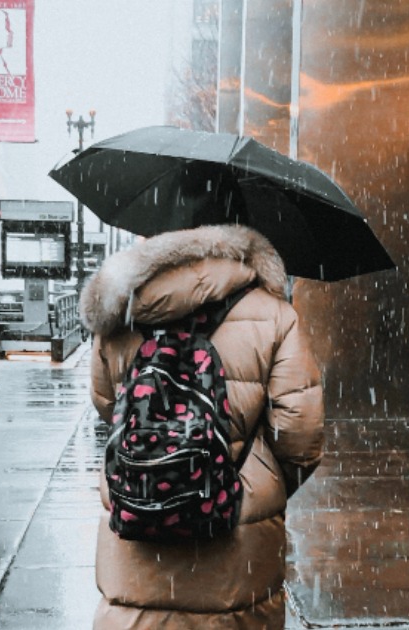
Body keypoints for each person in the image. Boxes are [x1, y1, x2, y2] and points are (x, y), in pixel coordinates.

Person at [80, 217, 325, 628]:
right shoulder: (274, 315)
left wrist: (157, 456)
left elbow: (107, 406)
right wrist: (252, 479)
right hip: (236, 551)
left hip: (138, 528)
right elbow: (300, 436)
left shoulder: (121, 313)